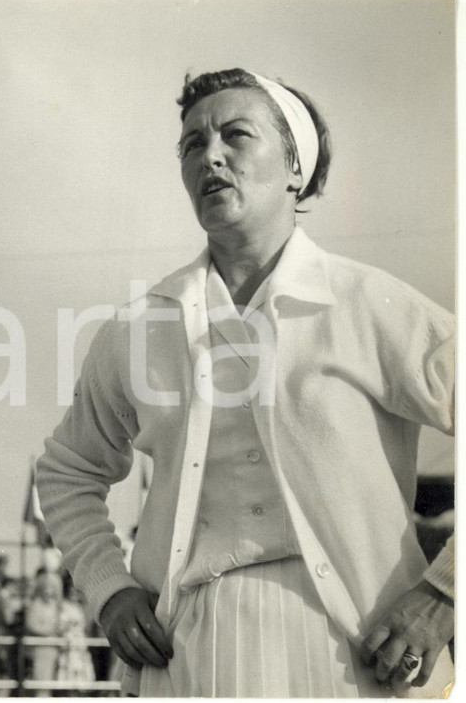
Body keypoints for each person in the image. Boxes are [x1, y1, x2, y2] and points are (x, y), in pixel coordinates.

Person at [36, 68, 454, 698]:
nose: (211, 156)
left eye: (237, 135)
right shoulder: (138, 329)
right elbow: (67, 470)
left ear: (296, 167)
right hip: (189, 660)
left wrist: (445, 593)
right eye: (192, 144)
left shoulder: (368, 302)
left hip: (360, 662)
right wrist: (108, 587)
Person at [25, 569, 63, 697]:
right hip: (40, 648)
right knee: (40, 682)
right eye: (47, 588)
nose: (49, 591)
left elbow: (58, 623)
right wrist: (49, 631)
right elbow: (31, 625)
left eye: (51, 588)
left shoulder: (53, 605)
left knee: (50, 683)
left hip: (52, 648)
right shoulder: (35, 605)